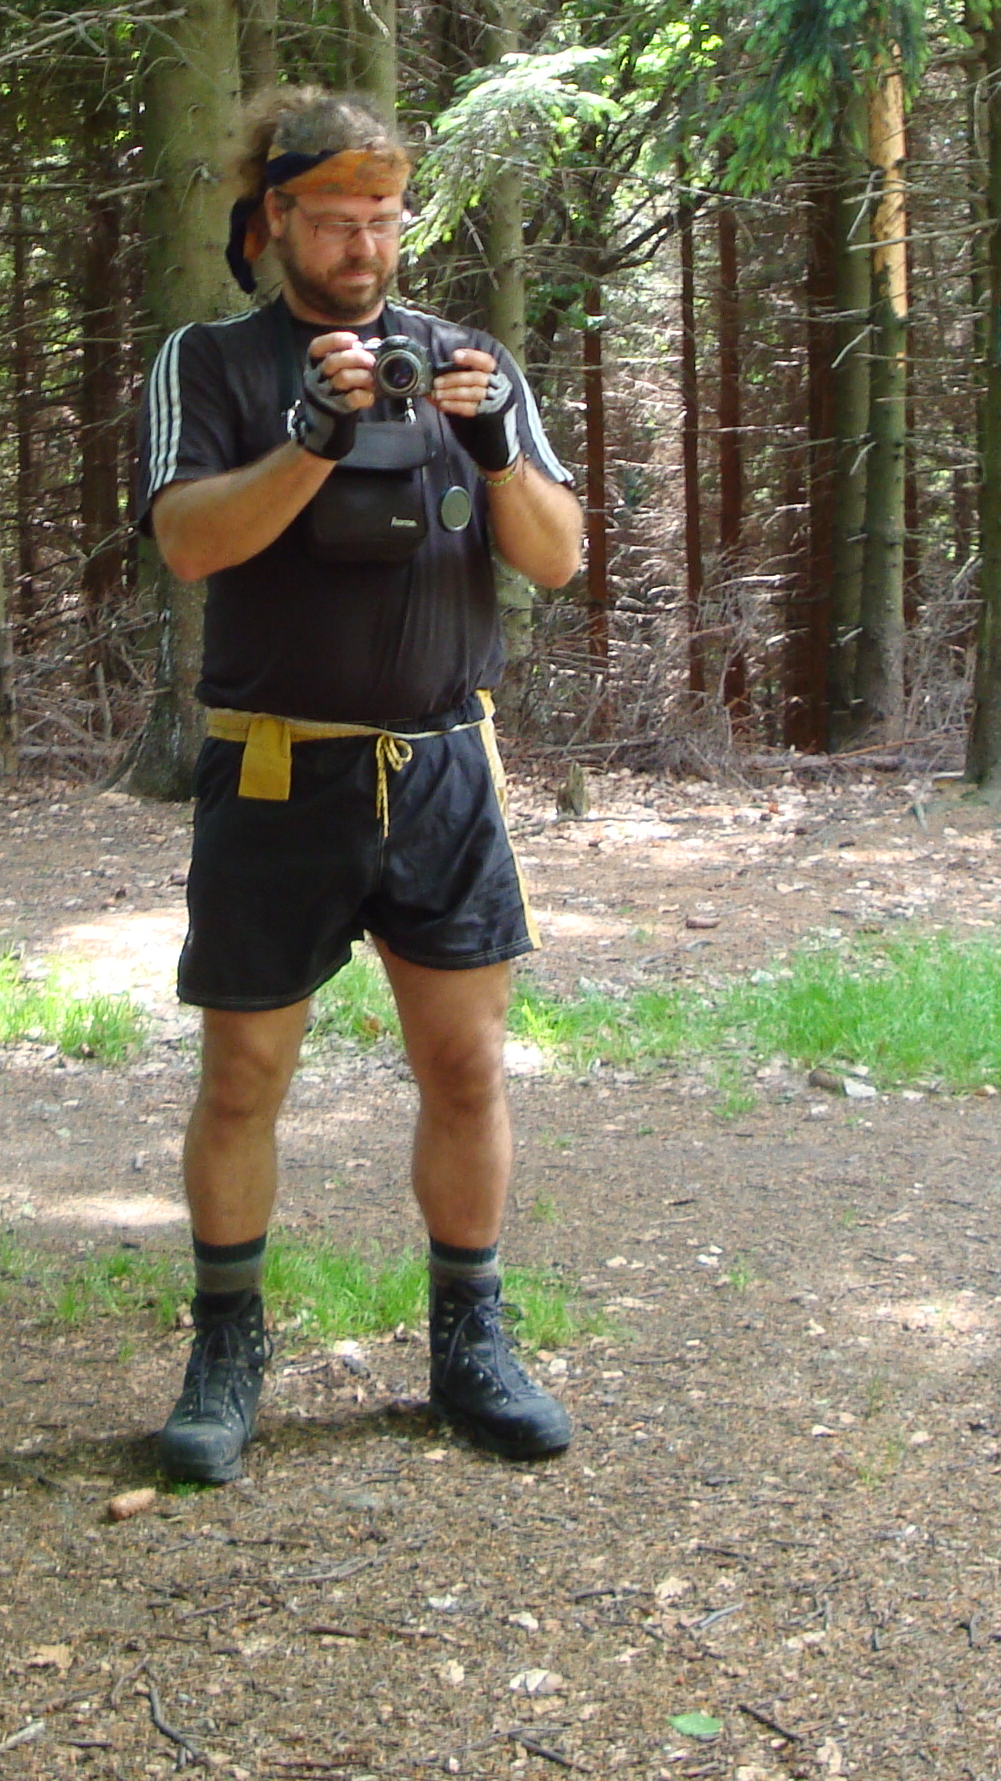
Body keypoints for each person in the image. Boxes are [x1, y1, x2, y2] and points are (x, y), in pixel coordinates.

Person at [132, 88, 588, 1485]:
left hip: (444, 766)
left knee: (466, 1065)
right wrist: (314, 439)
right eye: (334, 220)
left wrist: (496, 444)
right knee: (244, 1074)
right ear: (273, 219)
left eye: (383, 218)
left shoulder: (464, 362)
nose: (363, 246)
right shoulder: (211, 363)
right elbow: (189, 543)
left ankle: (470, 1345)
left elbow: (557, 556)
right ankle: (226, 1353)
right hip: (279, 768)